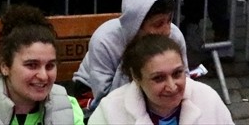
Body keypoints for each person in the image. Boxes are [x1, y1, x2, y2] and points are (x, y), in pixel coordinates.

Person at [0, 5, 84, 124]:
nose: (43, 76)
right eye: (32, 65)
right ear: (5, 66)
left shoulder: (68, 107)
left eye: (50, 66)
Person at [73, 0, 189, 110]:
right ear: (136, 25)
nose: (167, 31)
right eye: (158, 24)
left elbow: (186, 81)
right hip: (92, 91)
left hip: (152, 88)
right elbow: (104, 100)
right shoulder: (104, 40)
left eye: (169, 20)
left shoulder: (175, 35)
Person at [87, 33, 233, 125]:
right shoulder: (110, 111)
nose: (172, 86)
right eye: (158, 78)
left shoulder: (208, 99)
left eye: (177, 74)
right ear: (137, 78)